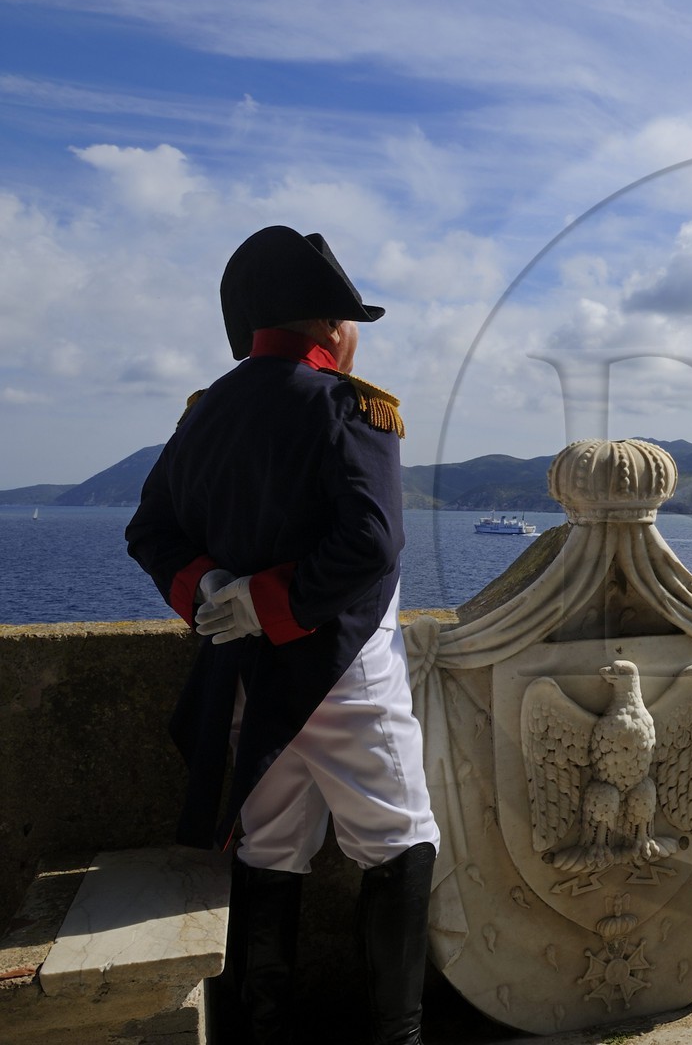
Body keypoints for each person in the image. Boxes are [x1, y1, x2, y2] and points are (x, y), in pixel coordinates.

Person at [126, 225, 440, 1045]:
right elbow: (373, 542)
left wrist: (213, 592)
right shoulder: (351, 406)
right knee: (400, 841)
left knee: (270, 846)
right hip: (346, 672)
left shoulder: (205, 414)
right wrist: (275, 601)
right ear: (330, 324)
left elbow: (149, 530)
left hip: (248, 680)